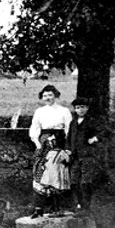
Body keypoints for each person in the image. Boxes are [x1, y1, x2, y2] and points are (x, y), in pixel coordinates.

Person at [29, 85, 72, 217]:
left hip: (58, 144)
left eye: (50, 95)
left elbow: (69, 131)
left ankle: (56, 207)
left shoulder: (64, 111)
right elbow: (34, 128)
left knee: (56, 175)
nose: (48, 98)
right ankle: (38, 208)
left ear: (55, 95)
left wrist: (67, 148)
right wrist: (38, 144)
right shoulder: (39, 111)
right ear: (42, 97)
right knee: (40, 174)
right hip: (43, 144)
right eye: (45, 95)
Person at [66, 97, 105, 211]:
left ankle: (86, 205)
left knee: (85, 182)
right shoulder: (73, 122)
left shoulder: (92, 121)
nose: (80, 110)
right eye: (77, 108)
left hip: (87, 155)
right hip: (75, 156)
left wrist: (95, 138)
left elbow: (104, 131)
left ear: (87, 108)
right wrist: (68, 149)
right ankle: (79, 203)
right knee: (73, 181)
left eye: (82, 107)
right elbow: (69, 138)